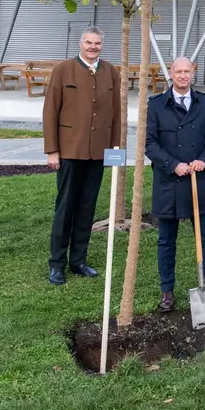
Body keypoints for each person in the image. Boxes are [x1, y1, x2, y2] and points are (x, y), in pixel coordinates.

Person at [146, 57, 205, 313]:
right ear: (170, 74)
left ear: (192, 74)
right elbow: (150, 143)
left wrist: (204, 160)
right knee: (166, 240)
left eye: (187, 71)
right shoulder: (157, 105)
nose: (183, 76)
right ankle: (167, 291)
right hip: (168, 182)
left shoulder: (203, 103)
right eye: (178, 71)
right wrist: (173, 164)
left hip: (197, 181)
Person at [42, 27, 123, 286]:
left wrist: (114, 151)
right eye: (89, 42)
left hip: (98, 153)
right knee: (65, 208)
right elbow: (50, 112)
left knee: (87, 208)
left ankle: (78, 260)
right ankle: (57, 263)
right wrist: (52, 150)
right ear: (80, 43)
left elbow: (116, 115)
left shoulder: (111, 72)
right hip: (69, 151)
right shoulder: (63, 70)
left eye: (97, 43)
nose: (93, 47)